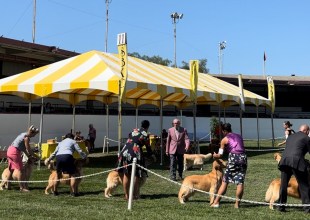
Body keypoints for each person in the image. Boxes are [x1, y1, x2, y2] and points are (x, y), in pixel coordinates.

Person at [211, 123, 247, 208]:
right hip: (243, 158)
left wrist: (214, 155)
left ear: (224, 131)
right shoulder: (239, 136)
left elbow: (220, 155)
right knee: (240, 182)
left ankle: (216, 202)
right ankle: (237, 204)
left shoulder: (224, 139)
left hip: (233, 158)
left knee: (225, 181)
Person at [117, 120, 155, 200]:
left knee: (126, 174)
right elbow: (148, 148)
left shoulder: (134, 131)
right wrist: (152, 155)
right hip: (134, 151)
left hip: (125, 151)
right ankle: (135, 195)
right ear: (147, 127)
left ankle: (127, 196)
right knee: (136, 175)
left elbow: (130, 139)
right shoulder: (145, 134)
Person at [277, 124, 310, 213]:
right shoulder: (307, 138)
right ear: (307, 131)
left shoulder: (290, 137)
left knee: (283, 185)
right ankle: (307, 208)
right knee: (304, 186)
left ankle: (280, 206)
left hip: (284, 161)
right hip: (297, 162)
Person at [6, 125, 39, 192]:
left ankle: (8, 185)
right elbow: (28, 149)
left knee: (11, 169)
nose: (34, 135)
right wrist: (36, 156)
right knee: (21, 170)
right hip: (15, 152)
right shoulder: (26, 138)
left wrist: (29, 156)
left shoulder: (23, 134)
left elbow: (23, 149)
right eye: (35, 134)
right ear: (32, 133)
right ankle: (22, 187)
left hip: (9, 150)